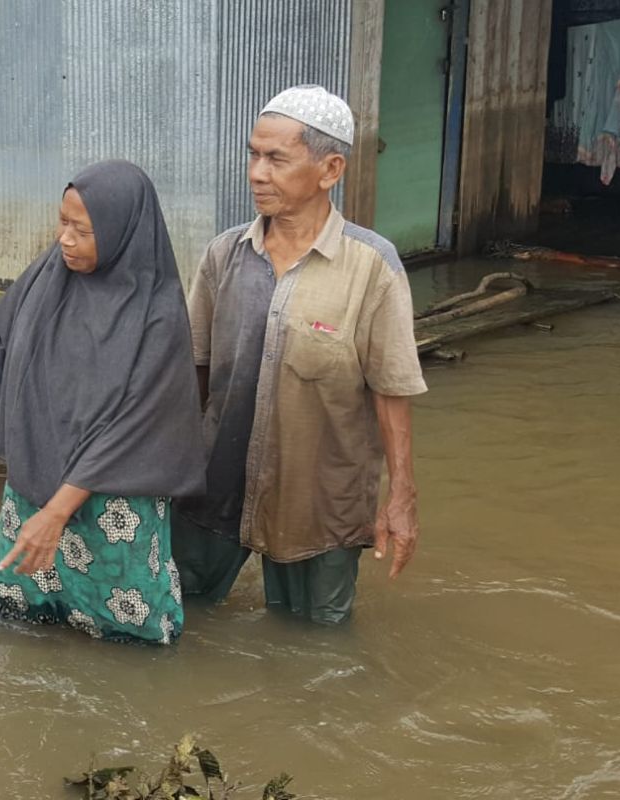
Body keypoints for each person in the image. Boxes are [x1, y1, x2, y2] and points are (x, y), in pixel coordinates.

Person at [0, 160, 206, 644]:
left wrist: (56, 514)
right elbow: (0, 344)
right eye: (63, 221)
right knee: (25, 623)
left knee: (129, 637)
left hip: (113, 501)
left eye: (83, 230)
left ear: (122, 233)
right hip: (39, 478)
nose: (65, 239)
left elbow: (133, 428)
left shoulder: (155, 316)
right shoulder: (49, 280)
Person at [173, 85, 427, 625]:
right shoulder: (224, 255)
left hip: (317, 500)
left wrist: (400, 497)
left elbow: (391, 392)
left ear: (330, 169)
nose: (257, 173)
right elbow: (193, 371)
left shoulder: (371, 267)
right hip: (215, 483)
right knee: (181, 616)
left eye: (276, 159)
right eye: (253, 154)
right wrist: (161, 467)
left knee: (313, 646)